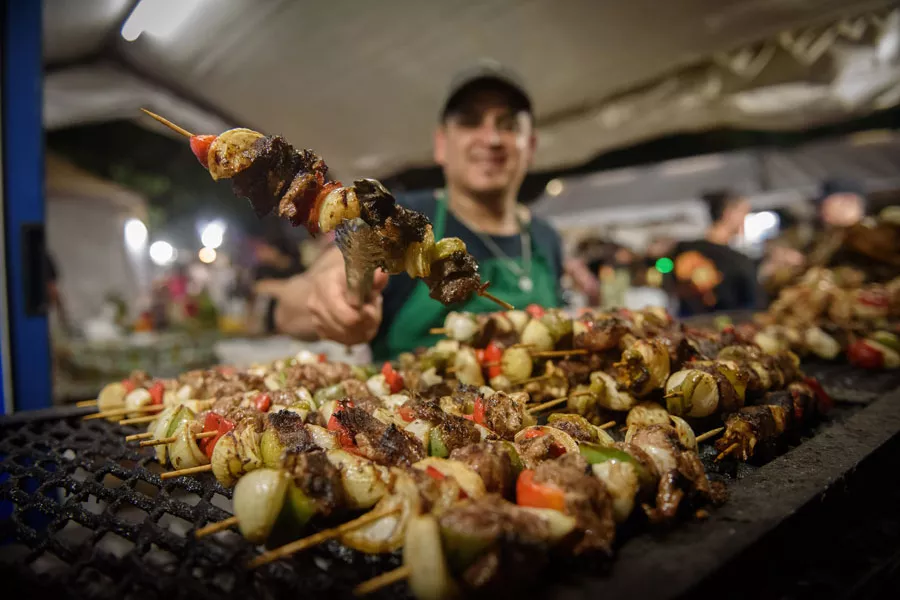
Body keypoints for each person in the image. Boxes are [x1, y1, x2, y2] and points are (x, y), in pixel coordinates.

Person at [273, 61, 564, 359]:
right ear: (441, 144)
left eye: (508, 125)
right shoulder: (402, 220)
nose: (490, 139)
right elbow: (289, 310)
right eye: (470, 121)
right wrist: (327, 297)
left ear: (530, 146)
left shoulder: (545, 238)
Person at [672, 190, 759, 316]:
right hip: (728, 328)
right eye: (744, 213)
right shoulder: (737, 261)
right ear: (729, 213)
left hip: (690, 328)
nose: (745, 219)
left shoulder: (684, 250)